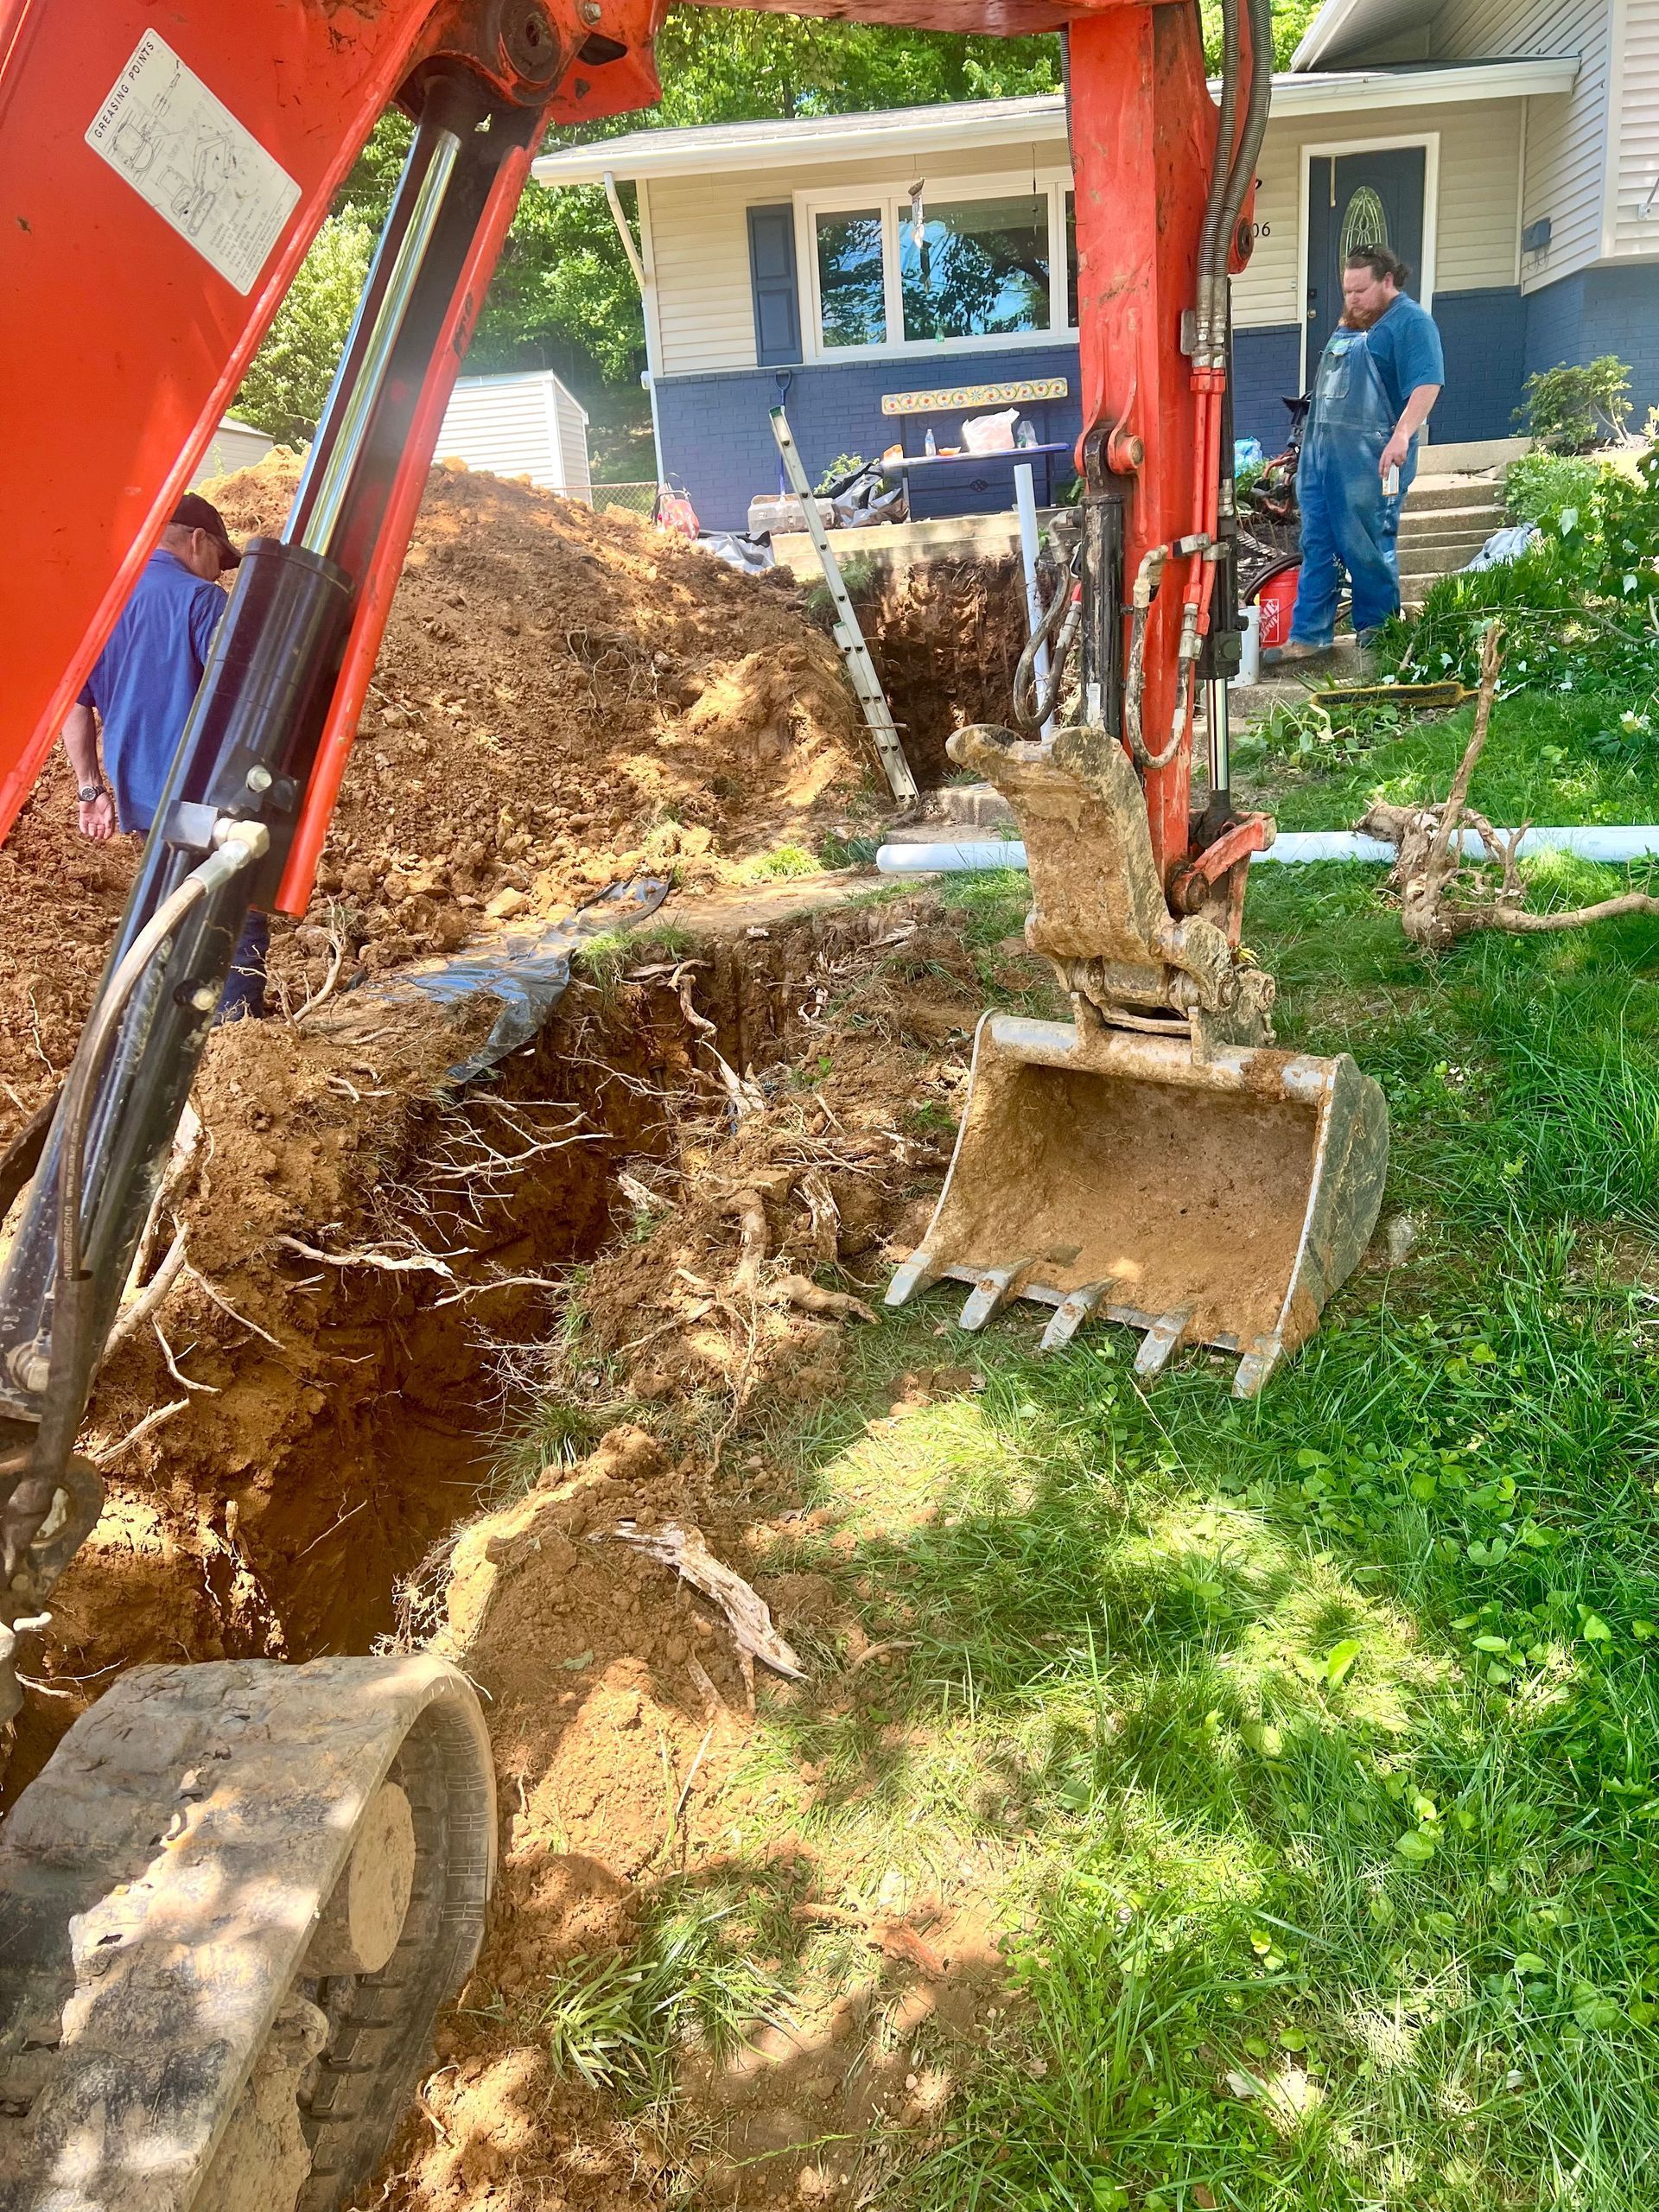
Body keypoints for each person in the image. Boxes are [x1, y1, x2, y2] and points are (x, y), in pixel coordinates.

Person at [62, 493, 268, 1018]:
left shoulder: (101, 604)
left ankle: (164, 1025)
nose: (218, 576)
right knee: (231, 913)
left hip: (140, 795)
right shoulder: (200, 601)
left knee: (170, 905)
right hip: (205, 798)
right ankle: (231, 1036)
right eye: (218, 562)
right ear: (196, 540)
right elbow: (242, 698)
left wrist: (91, 789)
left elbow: (74, 708)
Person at [1268, 245, 1445, 664]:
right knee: (1317, 543)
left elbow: (1427, 385)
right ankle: (1309, 635)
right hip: (1322, 458)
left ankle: (1378, 635)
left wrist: (1402, 436)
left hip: (1373, 458)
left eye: (1361, 291)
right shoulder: (1352, 323)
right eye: (1347, 291)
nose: (1352, 299)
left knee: (1367, 543)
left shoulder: (1412, 323)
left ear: (1388, 281)